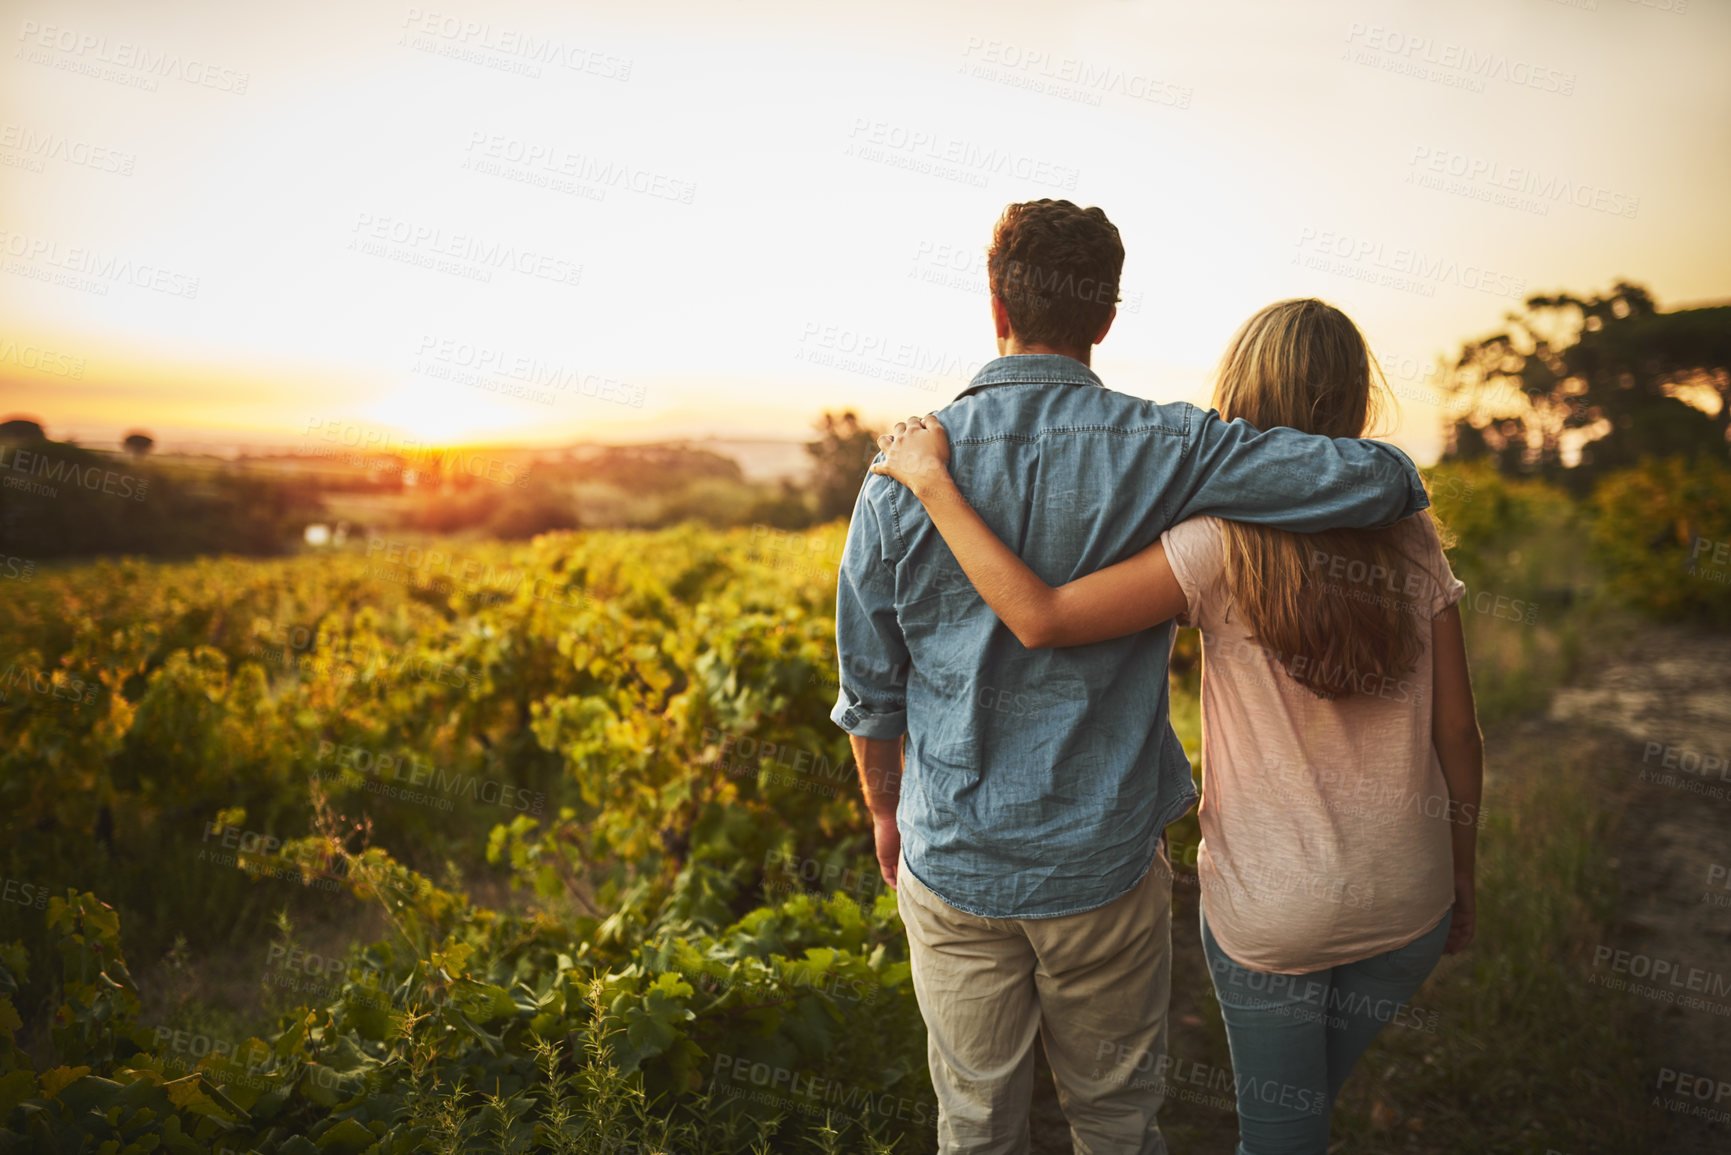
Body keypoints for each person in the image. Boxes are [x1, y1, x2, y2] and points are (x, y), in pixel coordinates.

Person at [829, 200, 1437, 1155]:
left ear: (994, 301)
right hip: (1104, 861)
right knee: (1116, 1120)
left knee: (974, 1123)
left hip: (951, 857)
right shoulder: (1176, 447)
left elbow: (870, 687)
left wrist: (884, 812)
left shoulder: (899, 473)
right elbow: (1390, 480)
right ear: (1105, 316)